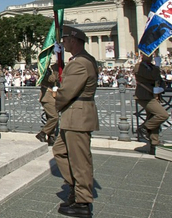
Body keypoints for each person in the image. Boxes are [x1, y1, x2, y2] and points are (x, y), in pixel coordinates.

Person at [53, 26, 99, 217]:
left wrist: (55, 99)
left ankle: (82, 201)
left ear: (74, 41)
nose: (63, 44)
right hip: (75, 115)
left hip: (78, 115)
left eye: (65, 41)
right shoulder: (83, 60)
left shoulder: (80, 63)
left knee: (80, 160)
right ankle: (74, 186)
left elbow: (67, 91)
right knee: (60, 151)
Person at [133, 53, 169, 155]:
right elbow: (151, 76)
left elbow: (159, 79)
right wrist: (157, 66)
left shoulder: (152, 67)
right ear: (142, 56)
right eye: (148, 55)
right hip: (144, 96)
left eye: (151, 55)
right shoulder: (138, 67)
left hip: (153, 95)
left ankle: (154, 144)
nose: (150, 57)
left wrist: (161, 87)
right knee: (162, 115)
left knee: (153, 119)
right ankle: (144, 128)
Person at [36, 62, 59, 145]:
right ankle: (42, 133)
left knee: (50, 117)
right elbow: (52, 79)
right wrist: (56, 70)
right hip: (47, 97)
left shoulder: (48, 70)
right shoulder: (43, 70)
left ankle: (51, 137)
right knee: (54, 117)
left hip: (50, 96)